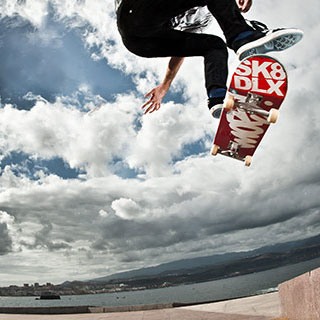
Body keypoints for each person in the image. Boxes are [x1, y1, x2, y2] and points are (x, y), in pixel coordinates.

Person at [115, 0, 303, 119]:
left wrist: (165, 85)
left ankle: (217, 100)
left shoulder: (202, 19)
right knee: (232, 38)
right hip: (134, 10)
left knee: (214, 46)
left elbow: (182, 48)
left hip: (140, 44)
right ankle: (242, 34)